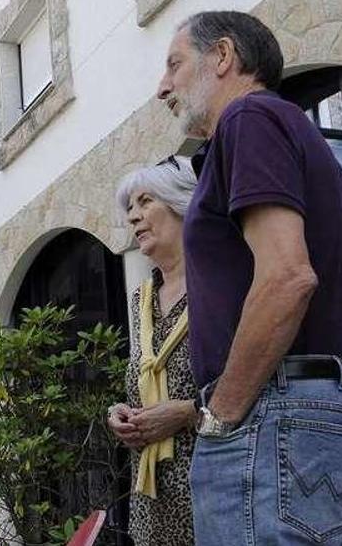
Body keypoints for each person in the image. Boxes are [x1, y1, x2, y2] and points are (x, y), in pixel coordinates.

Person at [157, 11, 342, 545]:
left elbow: (288, 277)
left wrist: (221, 413)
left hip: (271, 419)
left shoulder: (247, 119)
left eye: (174, 64)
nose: (162, 86)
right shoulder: (288, 131)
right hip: (319, 415)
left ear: (224, 56)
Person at [107, 156, 199, 546]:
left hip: (210, 490)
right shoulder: (140, 300)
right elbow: (139, 384)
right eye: (130, 208)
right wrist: (120, 415)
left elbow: (257, 383)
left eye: (145, 202)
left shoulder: (219, 284)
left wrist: (187, 413)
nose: (133, 217)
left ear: (182, 205)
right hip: (151, 505)